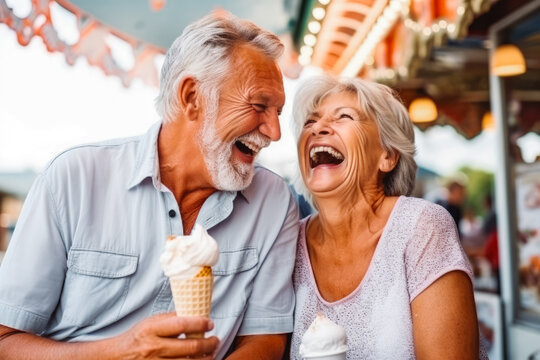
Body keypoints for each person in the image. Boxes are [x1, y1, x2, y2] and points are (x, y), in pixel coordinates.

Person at [0, 11, 299, 360]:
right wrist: (119, 352)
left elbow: (265, 340)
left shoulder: (274, 201)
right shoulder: (73, 178)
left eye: (277, 113)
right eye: (258, 106)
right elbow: (6, 341)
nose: (274, 133)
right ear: (191, 97)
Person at [289, 75, 485, 359]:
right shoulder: (288, 242)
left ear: (388, 156)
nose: (318, 128)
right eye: (310, 122)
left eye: (343, 116)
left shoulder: (420, 227)